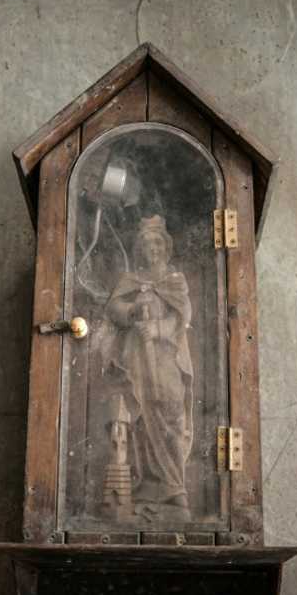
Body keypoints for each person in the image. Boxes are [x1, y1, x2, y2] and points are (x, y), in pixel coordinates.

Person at [103, 215, 194, 522]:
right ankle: (146, 485)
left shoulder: (174, 280)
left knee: (170, 411)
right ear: (138, 249)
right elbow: (113, 307)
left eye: (156, 243)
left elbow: (182, 315)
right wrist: (131, 310)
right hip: (137, 360)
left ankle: (174, 486)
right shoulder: (131, 280)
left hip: (166, 358)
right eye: (145, 244)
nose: (151, 248)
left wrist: (157, 328)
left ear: (165, 247)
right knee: (141, 415)